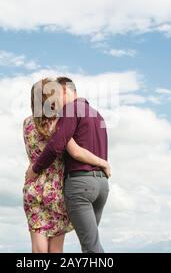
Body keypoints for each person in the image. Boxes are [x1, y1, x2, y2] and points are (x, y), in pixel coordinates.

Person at [23, 78, 111, 253]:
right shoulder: (63, 121)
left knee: (39, 245)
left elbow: (38, 151)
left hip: (35, 185)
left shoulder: (27, 123)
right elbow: (72, 150)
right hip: (58, 189)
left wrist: (34, 169)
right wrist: (103, 163)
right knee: (61, 247)